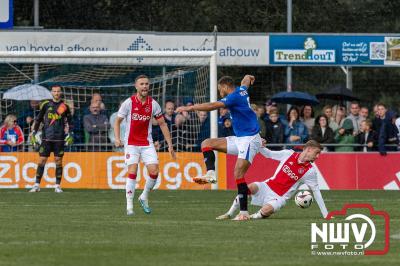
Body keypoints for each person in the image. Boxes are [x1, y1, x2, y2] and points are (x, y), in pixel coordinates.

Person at [176, 75, 262, 220]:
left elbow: (212, 106)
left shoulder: (233, 97)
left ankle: (244, 213)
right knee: (206, 143)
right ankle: (211, 174)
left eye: (219, 89)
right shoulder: (242, 90)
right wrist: (248, 77)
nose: (219, 92)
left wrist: (190, 107)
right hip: (240, 138)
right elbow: (245, 82)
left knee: (238, 173)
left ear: (224, 87)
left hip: (249, 139)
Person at [216, 140, 328, 221]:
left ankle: (250, 217)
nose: (317, 156)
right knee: (248, 188)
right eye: (316, 153)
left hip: (279, 197)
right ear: (309, 149)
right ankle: (229, 214)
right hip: (267, 186)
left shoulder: (310, 171)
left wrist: (326, 214)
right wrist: (259, 144)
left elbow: (316, 192)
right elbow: (268, 154)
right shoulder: (288, 154)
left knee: (267, 210)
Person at [114, 75, 176, 216]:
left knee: (154, 171)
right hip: (131, 143)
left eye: (147, 84)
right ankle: (129, 205)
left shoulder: (153, 104)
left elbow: (162, 124)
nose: (145, 86)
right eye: (142, 84)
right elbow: (117, 121)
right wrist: (117, 138)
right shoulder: (128, 103)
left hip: (147, 143)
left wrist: (170, 145)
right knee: (133, 170)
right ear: (136, 86)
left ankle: (144, 196)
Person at [29, 85, 73, 193]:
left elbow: (70, 121)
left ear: (60, 93)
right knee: (42, 160)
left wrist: (70, 133)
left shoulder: (65, 106)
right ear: (51, 93)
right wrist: (34, 132)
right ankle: (36, 185)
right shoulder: (45, 105)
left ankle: (57, 186)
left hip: (59, 138)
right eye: (54, 91)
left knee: (58, 161)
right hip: (46, 138)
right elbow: (38, 119)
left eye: (58, 91)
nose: (56, 93)